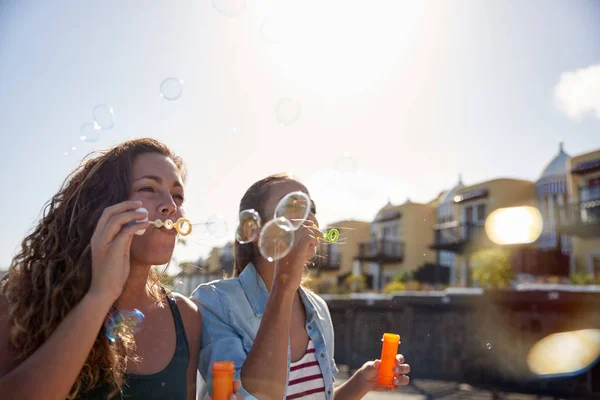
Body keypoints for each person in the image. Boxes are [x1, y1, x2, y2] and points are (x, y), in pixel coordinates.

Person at [0, 138, 241, 400]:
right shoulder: (24, 298)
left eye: (178, 195)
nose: (170, 205)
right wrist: (100, 294)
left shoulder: (187, 317)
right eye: (149, 188)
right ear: (103, 205)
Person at [192, 173, 411, 399]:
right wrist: (284, 285)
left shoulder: (318, 309)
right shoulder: (215, 301)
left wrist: (359, 385)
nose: (308, 219)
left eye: (311, 209)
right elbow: (252, 396)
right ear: (252, 230)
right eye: (292, 207)